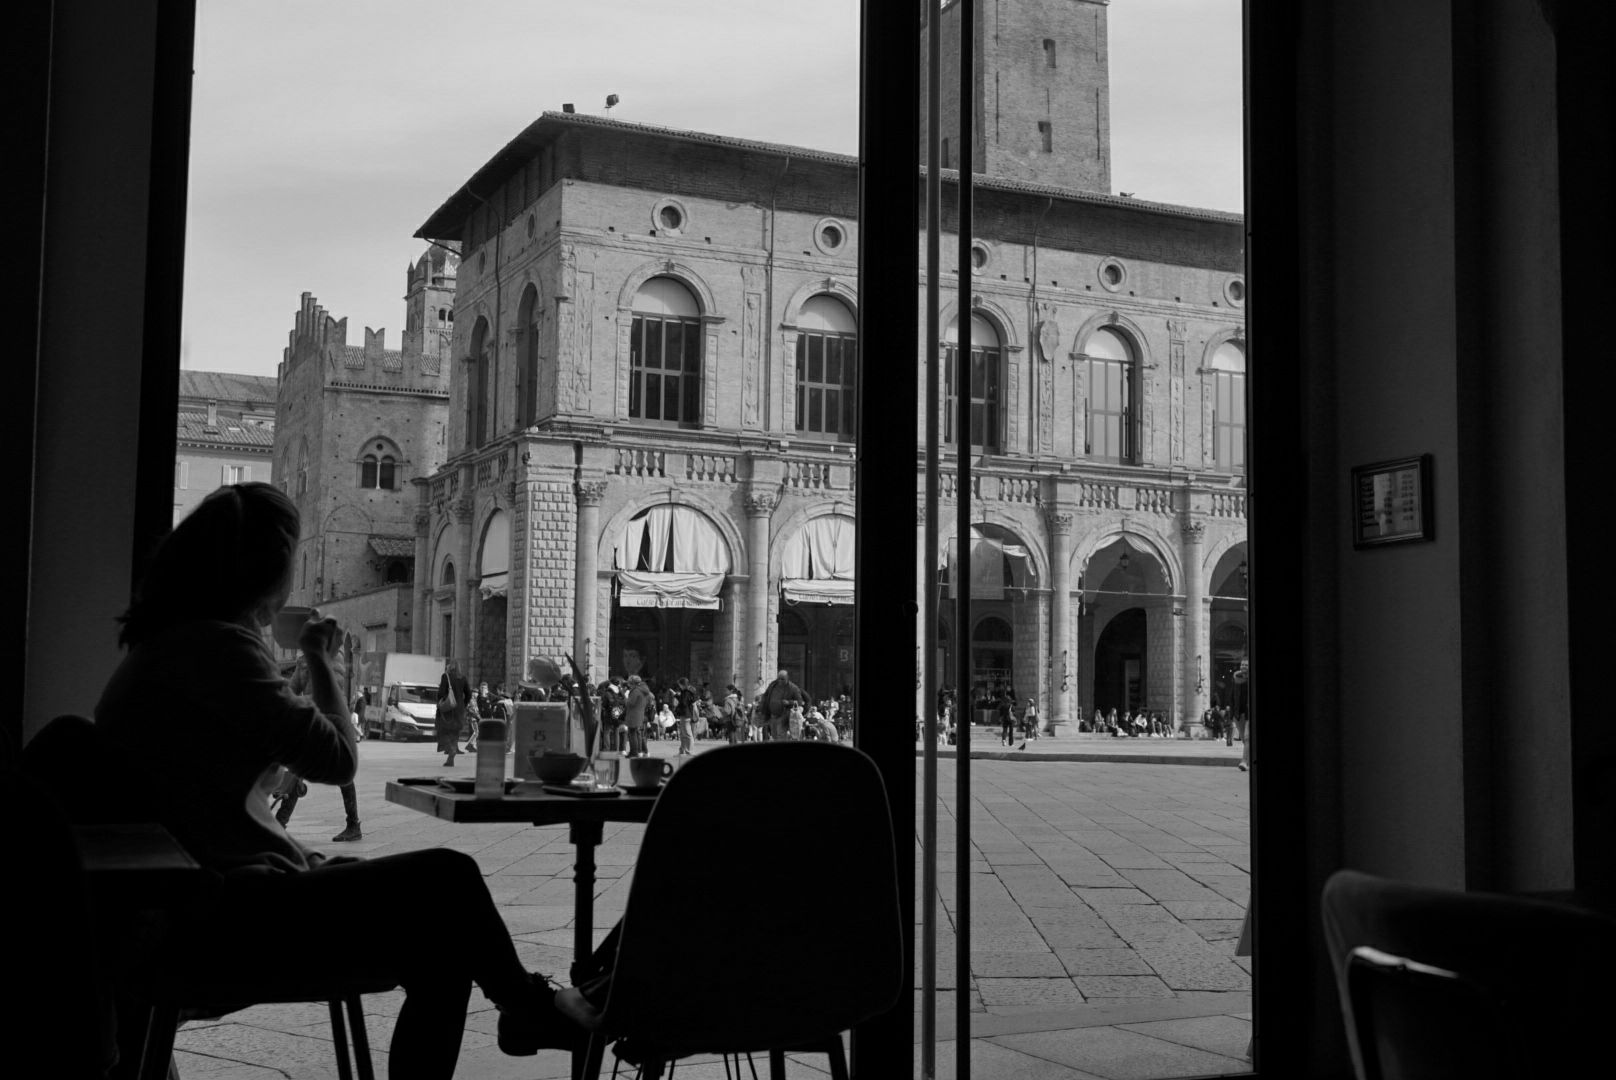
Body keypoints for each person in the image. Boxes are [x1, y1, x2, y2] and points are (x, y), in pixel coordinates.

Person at [93, 483, 591, 1075]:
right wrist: (321, 660)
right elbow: (336, 760)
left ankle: (525, 1006)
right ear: (267, 569)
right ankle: (526, 1006)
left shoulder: (165, 647)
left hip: (197, 910)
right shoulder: (217, 646)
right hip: (226, 919)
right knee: (448, 877)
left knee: (442, 939)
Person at [438, 660, 471, 766]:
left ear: (450, 667)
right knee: (455, 732)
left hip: (449, 709)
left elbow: (441, 693)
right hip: (460, 710)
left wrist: (441, 703)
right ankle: (450, 759)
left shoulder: (446, 676)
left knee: (444, 730)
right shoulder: (463, 678)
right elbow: (469, 694)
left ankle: (451, 749)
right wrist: (463, 704)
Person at [760, 668, 807, 741]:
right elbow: (766, 695)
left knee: (781, 735)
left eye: (782, 679)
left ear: (787, 678)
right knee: (774, 735)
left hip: (783, 715)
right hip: (772, 715)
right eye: (779, 679)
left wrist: (789, 702)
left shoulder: (793, 688)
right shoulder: (773, 685)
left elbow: (800, 702)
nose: (780, 681)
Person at [622, 673, 653, 757]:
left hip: (633, 714)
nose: (628, 684)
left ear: (632, 683)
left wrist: (625, 698)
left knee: (632, 734)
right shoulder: (643, 689)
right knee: (635, 733)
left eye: (629, 683)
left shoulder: (636, 690)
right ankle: (636, 751)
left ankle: (633, 752)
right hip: (639, 713)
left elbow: (630, 703)